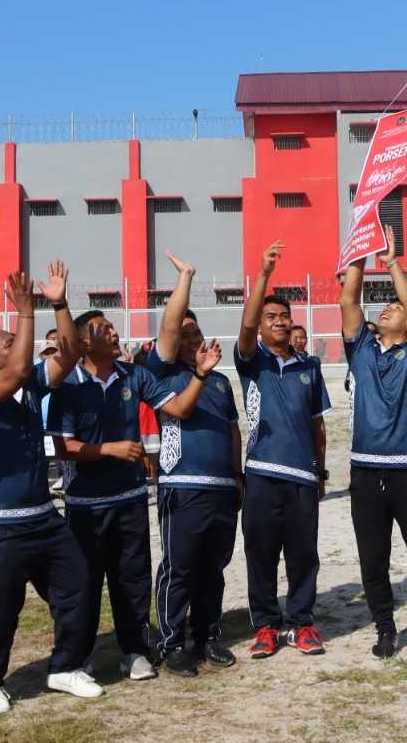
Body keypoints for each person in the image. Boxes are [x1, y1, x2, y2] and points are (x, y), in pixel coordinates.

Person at [0, 265, 102, 714]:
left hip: (42, 515)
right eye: (7, 342)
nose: (19, 345)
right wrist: (26, 311)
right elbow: (22, 365)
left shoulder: (27, 386)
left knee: (77, 585)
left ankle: (63, 668)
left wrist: (58, 303)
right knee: (3, 604)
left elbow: (69, 355)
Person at [55, 298, 208, 682]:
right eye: (104, 329)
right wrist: (110, 449)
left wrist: (201, 375)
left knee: (132, 578)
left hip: (130, 499)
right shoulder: (67, 385)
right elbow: (63, 447)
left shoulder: (132, 375)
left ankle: (134, 651)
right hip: (85, 505)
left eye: (112, 326)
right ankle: (79, 656)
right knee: (84, 582)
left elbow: (178, 409)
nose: (114, 331)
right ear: (85, 344)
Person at [341, 225, 407, 661]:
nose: (387, 310)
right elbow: (350, 300)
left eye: (393, 307)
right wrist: (361, 253)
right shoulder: (363, 348)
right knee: (373, 559)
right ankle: (385, 629)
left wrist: (391, 261)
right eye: (383, 307)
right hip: (365, 471)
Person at [145, 252, 244, 676]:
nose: (191, 339)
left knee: (213, 569)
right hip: (183, 488)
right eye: (185, 334)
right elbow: (169, 327)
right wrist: (186, 277)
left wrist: (237, 475)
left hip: (222, 489)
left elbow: (234, 429)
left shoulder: (220, 381)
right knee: (180, 567)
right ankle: (170, 644)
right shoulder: (163, 374)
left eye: (197, 333)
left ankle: (207, 636)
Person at [233, 241, 332, 659]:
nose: (277, 321)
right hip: (260, 473)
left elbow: (318, 425)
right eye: (270, 316)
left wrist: (321, 473)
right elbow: (247, 322)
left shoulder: (309, 366)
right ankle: (267, 626)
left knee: (303, 554)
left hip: (302, 478)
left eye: (284, 317)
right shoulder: (252, 361)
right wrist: (263, 275)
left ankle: (301, 623)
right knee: (260, 553)